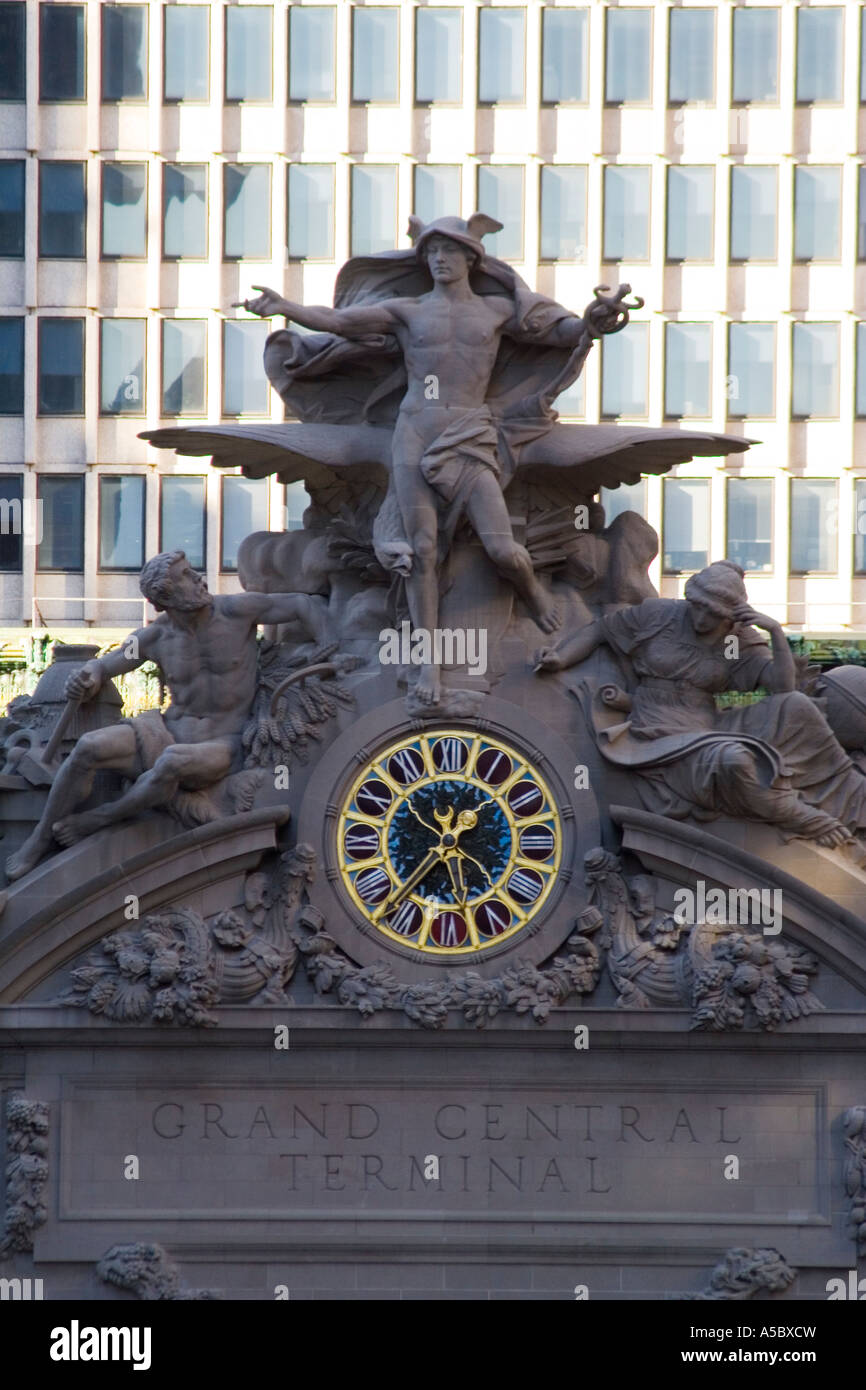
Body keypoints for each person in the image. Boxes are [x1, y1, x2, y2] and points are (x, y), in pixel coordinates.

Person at [236, 214, 630, 705]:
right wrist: (286, 307)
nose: (439, 260)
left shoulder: (496, 311)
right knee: (421, 552)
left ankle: (532, 590)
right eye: (431, 253)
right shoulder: (407, 311)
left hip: (468, 433)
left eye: (449, 251)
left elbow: (564, 331)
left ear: (471, 258)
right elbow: (338, 322)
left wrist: (595, 320)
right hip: (414, 431)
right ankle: (429, 666)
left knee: (503, 548)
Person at [5, 551, 329, 880]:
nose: (200, 579)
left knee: (173, 761)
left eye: (193, 571)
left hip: (224, 745)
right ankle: (39, 838)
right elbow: (106, 665)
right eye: (187, 575)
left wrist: (328, 649)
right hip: (165, 732)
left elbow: (301, 605)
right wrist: (88, 674)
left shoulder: (236, 611)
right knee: (88, 746)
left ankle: (100, 818)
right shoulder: (155, 637)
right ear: (166, 595)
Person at [537, 559, 866, 848]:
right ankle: (799, 815)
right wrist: (559, 658)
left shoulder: (736, 640)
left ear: (731, 617)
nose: (703, 618)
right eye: (698, 606)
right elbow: (601, 631)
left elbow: (782, 687)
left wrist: (774, 632)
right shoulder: (659, 615)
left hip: (706, 724)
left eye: (714, 613)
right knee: (735, 760)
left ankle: (847, 794)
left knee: (796, 706)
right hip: (657, 731)